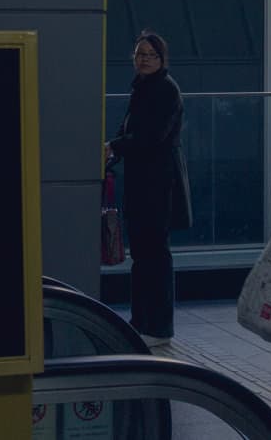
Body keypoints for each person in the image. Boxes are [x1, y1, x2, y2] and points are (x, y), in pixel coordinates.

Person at [106, 31, 192, 347]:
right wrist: (114, 145)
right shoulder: (142, 88)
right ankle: (141, 322)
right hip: (143, 183)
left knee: (154, 256)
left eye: (150, 55)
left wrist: (114, 145)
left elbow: (151, 136)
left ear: (161, 59)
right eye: (140, 54)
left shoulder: (165, 90)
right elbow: (129, 130)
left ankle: (157, 326)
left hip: (159, 185)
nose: (143, 59)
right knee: (143, 255)